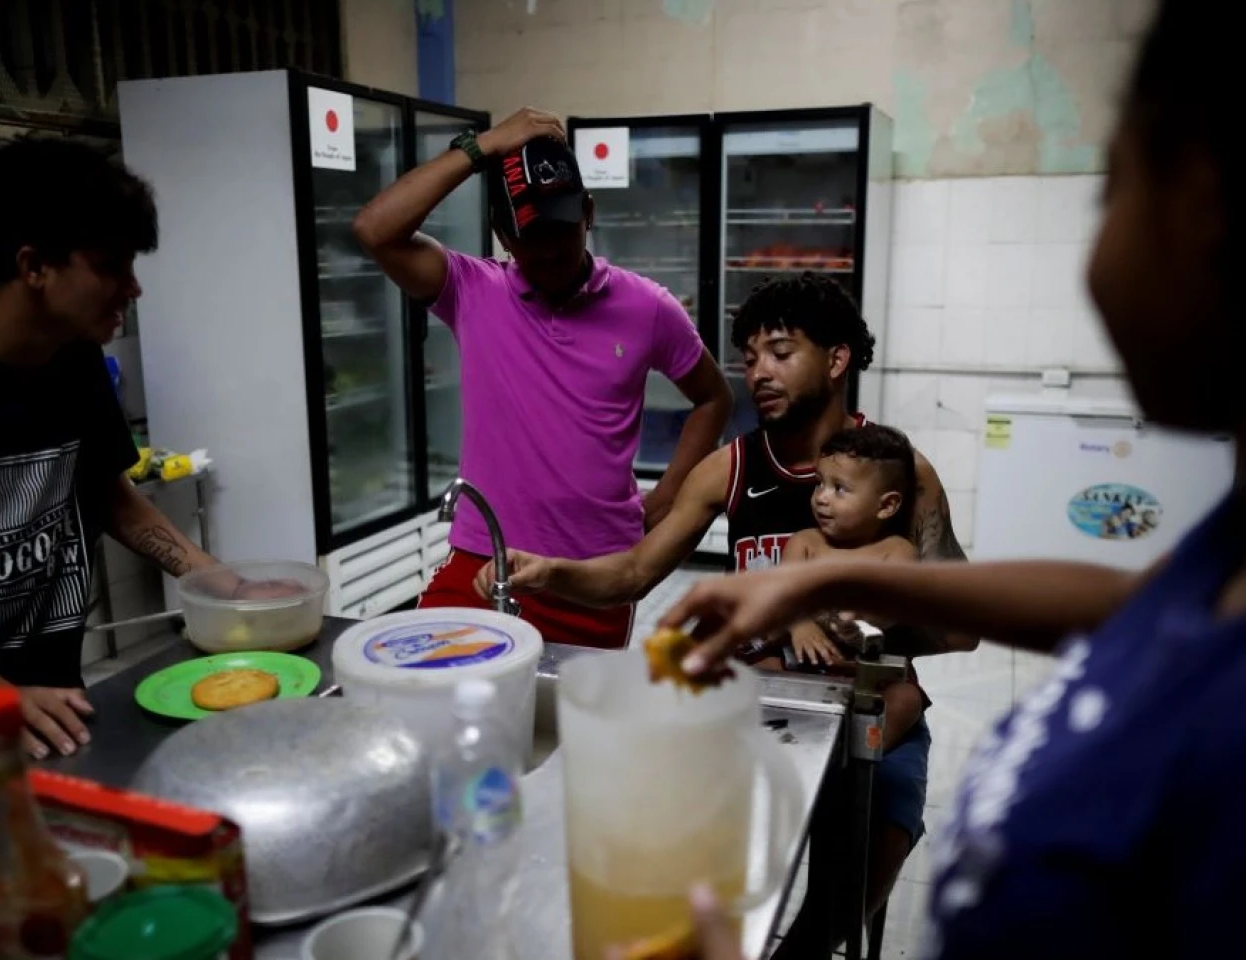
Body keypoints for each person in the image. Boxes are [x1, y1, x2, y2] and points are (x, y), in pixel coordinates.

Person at [659, 1, 1244, 954]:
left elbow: (958, 626)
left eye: (1111, 186)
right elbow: (1143, 604)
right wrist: (812, 584)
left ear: (1204, 200)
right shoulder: (1220, 560)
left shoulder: (901, 470)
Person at [476, 272, 975, 928]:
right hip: (756, 700)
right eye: (750, 356)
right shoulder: (729, 467)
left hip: (868, 703)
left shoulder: (898, 473)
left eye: (780, 352)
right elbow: (633, 574)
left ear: (836, 360)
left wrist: (862, 622)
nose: (757, 372)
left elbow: (960, 630)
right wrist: (550, 572)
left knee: (858, 870)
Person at [353, 108, 731, 650]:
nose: (551, 250)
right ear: (503, 235)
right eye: (532, 236)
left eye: (562, 229)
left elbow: (713, 397)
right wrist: (483, 146)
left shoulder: (647, 307)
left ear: (589, 214)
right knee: (429, 686)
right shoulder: (472, 291)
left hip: (596, 572)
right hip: (484, 559)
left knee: (566, 703)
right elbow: (374, 229)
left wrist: (669, 494)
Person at [0, 135, 288, 761]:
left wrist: (221, 586)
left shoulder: (73, 358)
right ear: (34, 266)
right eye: (111, 266)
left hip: (53, 712)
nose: (134, 288)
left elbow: (111, 497)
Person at [773, 425, 925, 754]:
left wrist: (867, 615)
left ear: (886, 505)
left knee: (907, 700)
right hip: (805, 665)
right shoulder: (805, 543)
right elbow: (783, 592)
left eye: (839, 489)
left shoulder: (897, 552)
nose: (821, 497)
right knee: (760, 672)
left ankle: (855, 756)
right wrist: (800, 623)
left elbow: (895, 604)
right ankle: (789, 749)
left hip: (870, 674)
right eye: (819, 483)